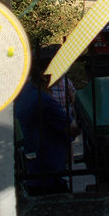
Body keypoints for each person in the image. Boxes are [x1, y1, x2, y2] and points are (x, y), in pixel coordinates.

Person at [15, 45, 80, 195]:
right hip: (48, 172)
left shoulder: (27, 91)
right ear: (44, 74)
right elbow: (73, 129)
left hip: (35, 169)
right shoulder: (43, 101)